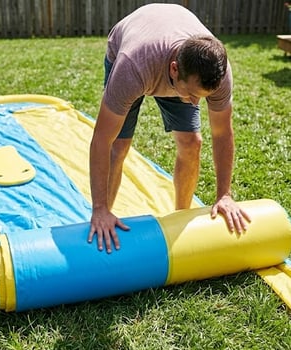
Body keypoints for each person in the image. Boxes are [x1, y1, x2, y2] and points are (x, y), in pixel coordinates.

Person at [88, 3, 251, 253]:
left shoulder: (217, 74)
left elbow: (221, 133)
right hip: (134, 50)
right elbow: (101, 139)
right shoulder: (132, 66)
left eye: (203, 97)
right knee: (118, 146)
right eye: (193, 95)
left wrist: (224, 195)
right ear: (174, 69)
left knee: (191, 143)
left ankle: (180, 217)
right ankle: (104, 215)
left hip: (177, 66)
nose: (197, 103)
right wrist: (98, 209)